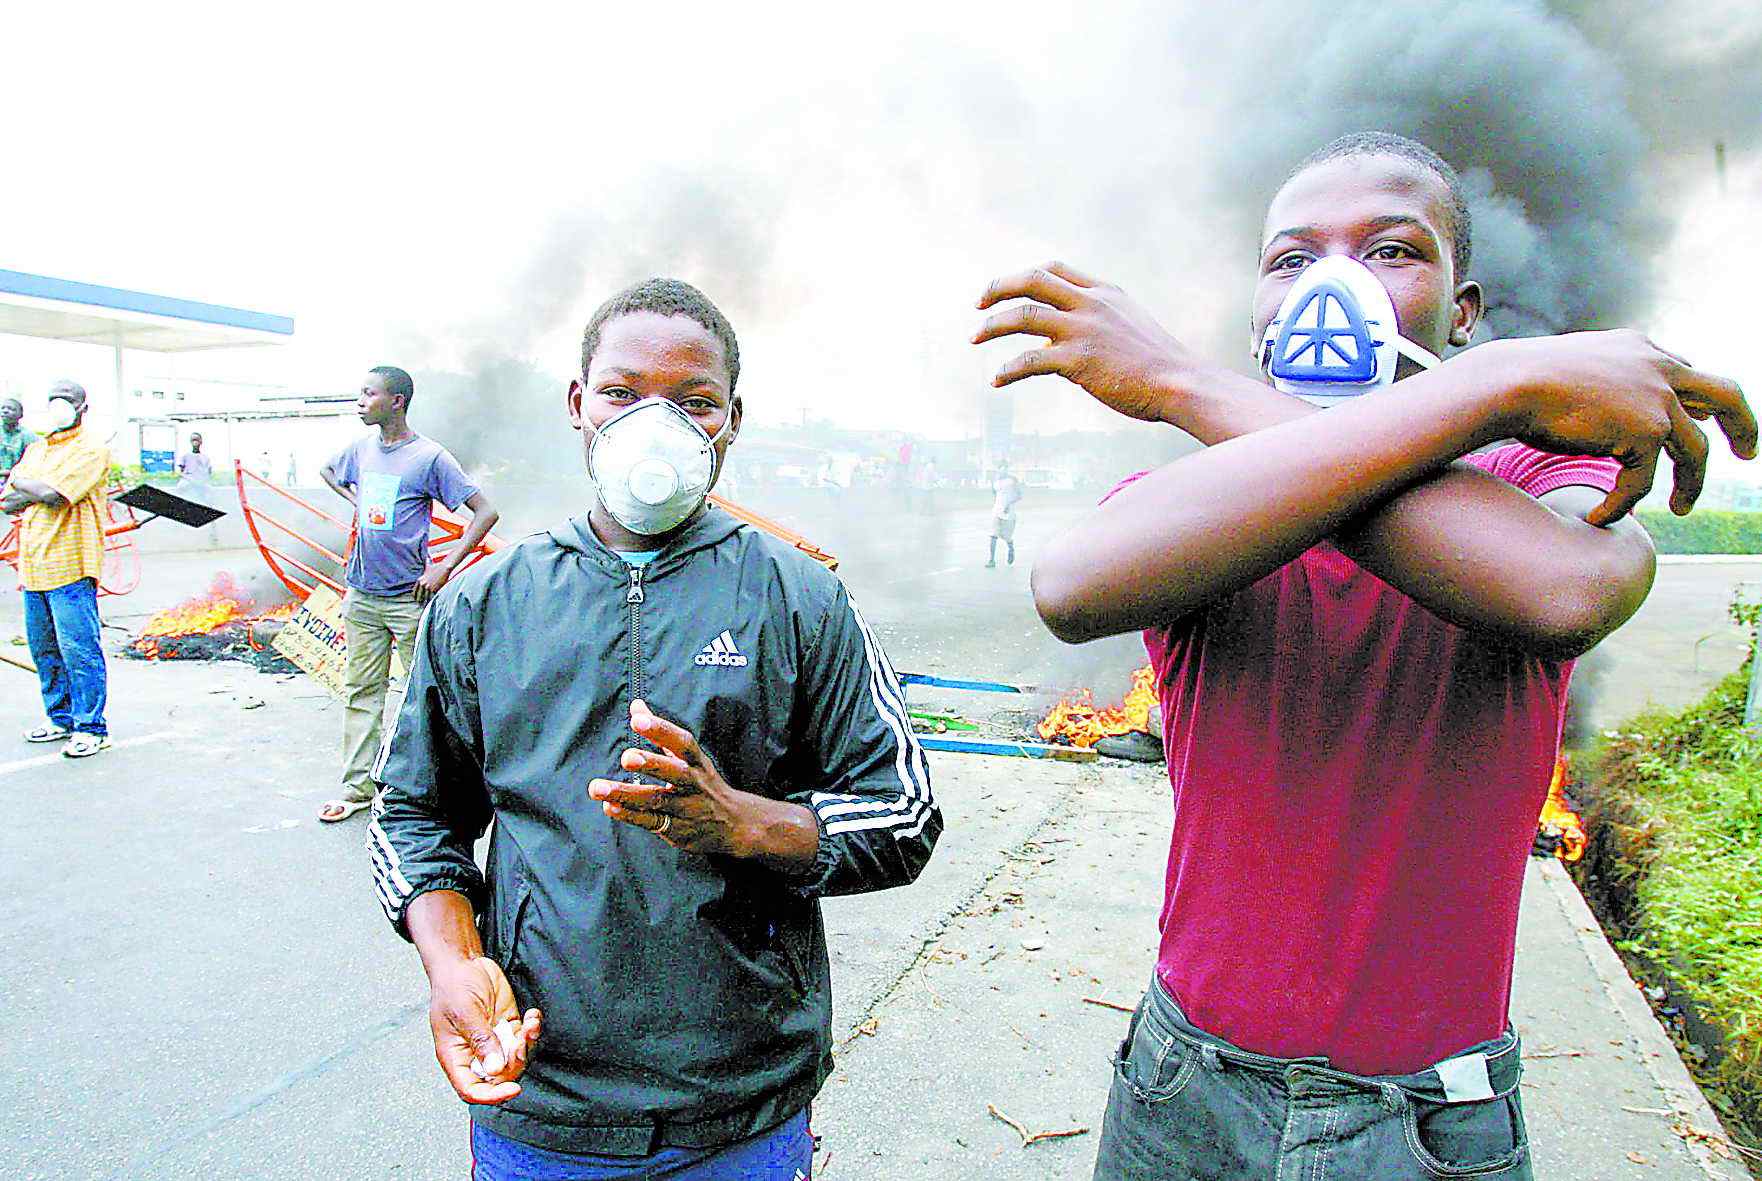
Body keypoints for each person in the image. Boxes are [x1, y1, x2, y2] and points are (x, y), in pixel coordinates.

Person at [973, 131, 1754, 1179]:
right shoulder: (1203, 506)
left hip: (1428, 1118)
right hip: (1185, 1091)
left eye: (1391, 250)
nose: (1332, 285)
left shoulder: (1539, 476)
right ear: (1258, 312)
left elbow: (1559, 588)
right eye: (1291, 260)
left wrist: (1184, 382)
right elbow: (1070, 587)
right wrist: (1505, 376)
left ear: (1462, 311)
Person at [371, 278, 941, 1179]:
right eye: (623, 393)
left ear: (732, 421)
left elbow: (905, 815)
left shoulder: (802, 598)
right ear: (578, 404)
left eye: (694, 401)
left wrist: (747, 823)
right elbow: (411, 814)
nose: (655, 422)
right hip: (540, 1096)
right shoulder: (484, 604)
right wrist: (453, 957)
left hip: (743, 1103)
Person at [316, 365, 497, 823]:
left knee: (427, 699)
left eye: (369, 393)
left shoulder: (429, 458)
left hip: (407, 601)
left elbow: (484, 512)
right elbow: (328, 471)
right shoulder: (359, 451)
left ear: (396, 401)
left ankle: (433, 794)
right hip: (361, 594)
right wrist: (356, 500)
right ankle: (356, 788)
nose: (360, 401)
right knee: (361, 692)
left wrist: (444, 566)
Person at [2, 381, 112, 758]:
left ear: (83, 406)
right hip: (33, 566)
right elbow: (8, 501)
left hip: (71, 565)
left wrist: (25, 484)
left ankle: (91, 727)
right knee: (45, 650)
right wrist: (31, 486)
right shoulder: (37, 448)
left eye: (67, 399)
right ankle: (59, 719)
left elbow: (53, 495)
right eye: (53, 399)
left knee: (79, 649)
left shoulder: (92, 450)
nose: (58, 406)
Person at [985, 459, 1021, 567]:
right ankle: (991, 560)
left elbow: (1019, 495)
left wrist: (1008, 504)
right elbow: (995, 494)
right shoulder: (995, 481)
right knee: (993, 535)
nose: (1002, 470)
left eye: (1005, 467)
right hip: (996, 512)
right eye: (1000, 467)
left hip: (1009, 513)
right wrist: (998, 505)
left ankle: (1010, 547)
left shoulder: (1012, 481)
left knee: (1006, 536)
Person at [0, 398, 37, 481]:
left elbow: (32, 465)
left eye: (11, 409)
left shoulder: (29, 437)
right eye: (3, 408)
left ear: (21, 415)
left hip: (17, 480)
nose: (5, 411)